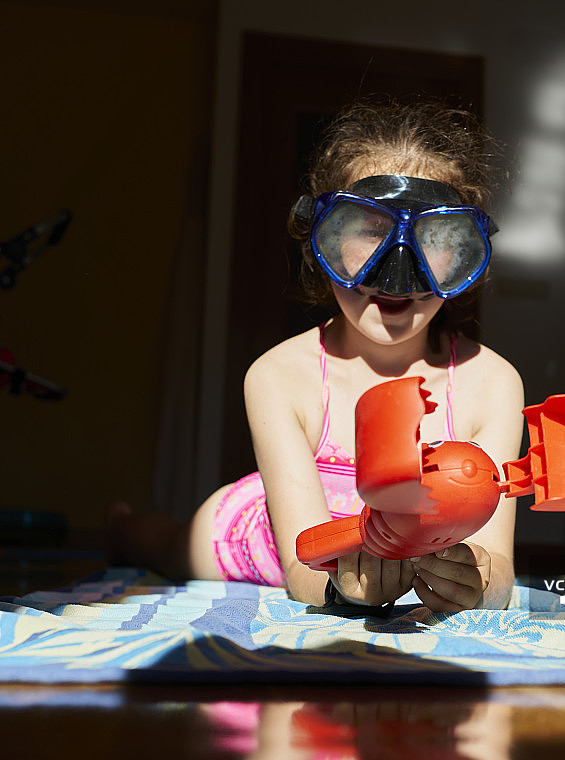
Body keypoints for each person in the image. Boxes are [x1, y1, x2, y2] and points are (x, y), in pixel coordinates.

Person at [108, 97, 524, 612]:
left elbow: (499, 567)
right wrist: (345, 589)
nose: (398, 272)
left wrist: (480, 580)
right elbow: (301, 571)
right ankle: (122, 525)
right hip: (266, 539)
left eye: (436, 236)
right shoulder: (279, 375)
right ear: (319, 240)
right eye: (369, 230)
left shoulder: (493, 383)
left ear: (467, 250)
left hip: (399, 554)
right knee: (169, 548)